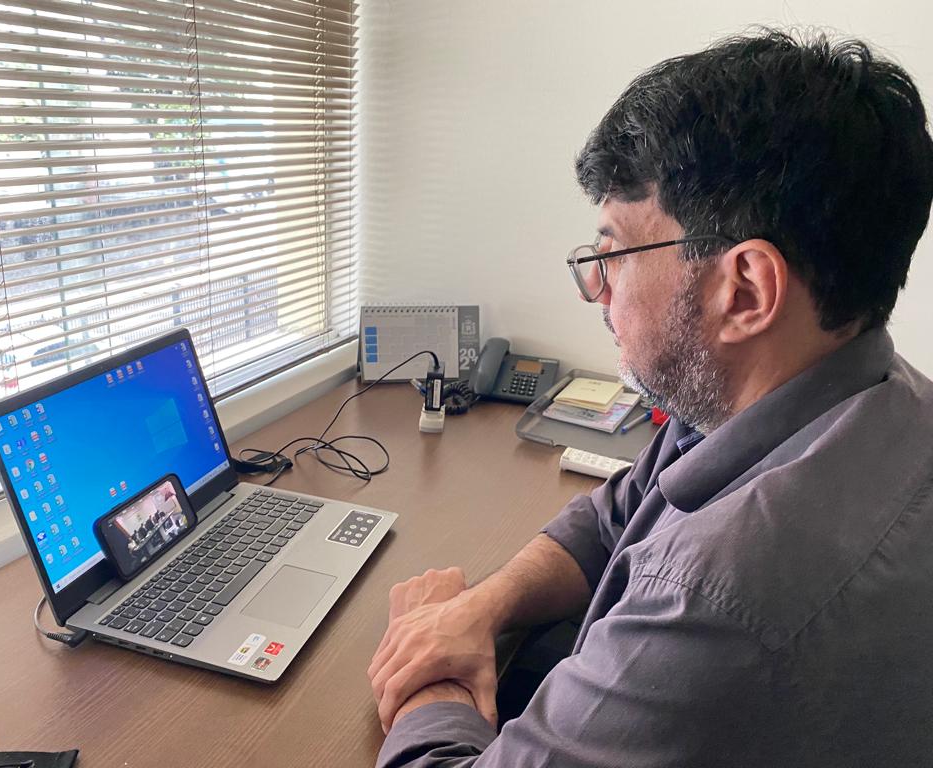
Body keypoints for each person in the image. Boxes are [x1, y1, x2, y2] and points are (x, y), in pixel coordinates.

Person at [368, 29, 933, 767]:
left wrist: (424, 660)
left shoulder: (719, 597)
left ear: (745, 290)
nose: (596, 289)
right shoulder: (843, 395)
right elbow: (614, 516)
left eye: (615, 254)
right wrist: (482, 606)